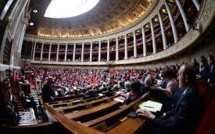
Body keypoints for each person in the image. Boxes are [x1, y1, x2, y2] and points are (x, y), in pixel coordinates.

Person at [136, 63, 203, 134]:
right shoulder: (186, 89)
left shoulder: (190, 97)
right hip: (171, 121)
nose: (177, 78)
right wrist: (165, 114)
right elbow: (175, 109)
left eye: (179, 75)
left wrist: (151, 116)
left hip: (174, 130)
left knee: (146, 129)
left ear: (186, 78)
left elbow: (174, 126)